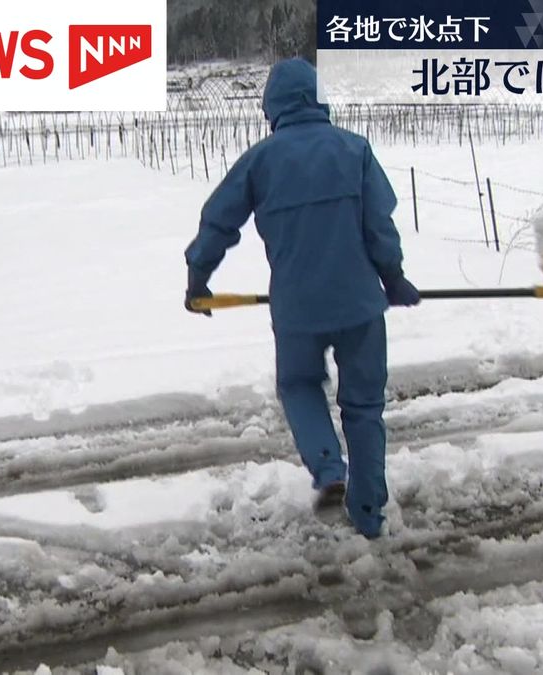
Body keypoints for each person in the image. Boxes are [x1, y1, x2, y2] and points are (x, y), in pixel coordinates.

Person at [183, 58, 419, 539]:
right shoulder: (354, 151)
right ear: (320, 98)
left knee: (298, 387)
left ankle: (329, 469)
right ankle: (369, 514)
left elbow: (218, 221)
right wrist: (393, 278)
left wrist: (198, 278)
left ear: (272, 106)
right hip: (360, 307)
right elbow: (380, 226)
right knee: (364, 407)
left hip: (297, 310)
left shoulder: (260, 161)